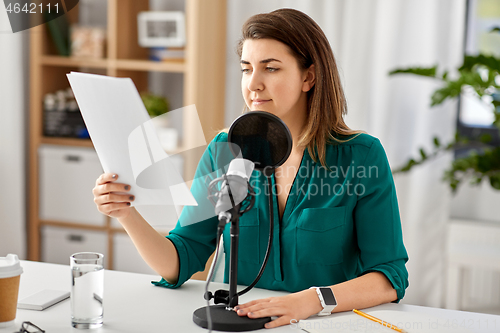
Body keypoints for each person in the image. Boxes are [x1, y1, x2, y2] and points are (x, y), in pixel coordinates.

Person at [92, 8, 409, 329]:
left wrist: (310, 300)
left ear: (308, 77)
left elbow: (389, 277)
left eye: (270, 68)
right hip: (243, 324)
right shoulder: (224, 150)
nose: (253, 84)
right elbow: (180, 259)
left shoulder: (362, 156)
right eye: (247, 69)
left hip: (326, 324)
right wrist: (126, 214)